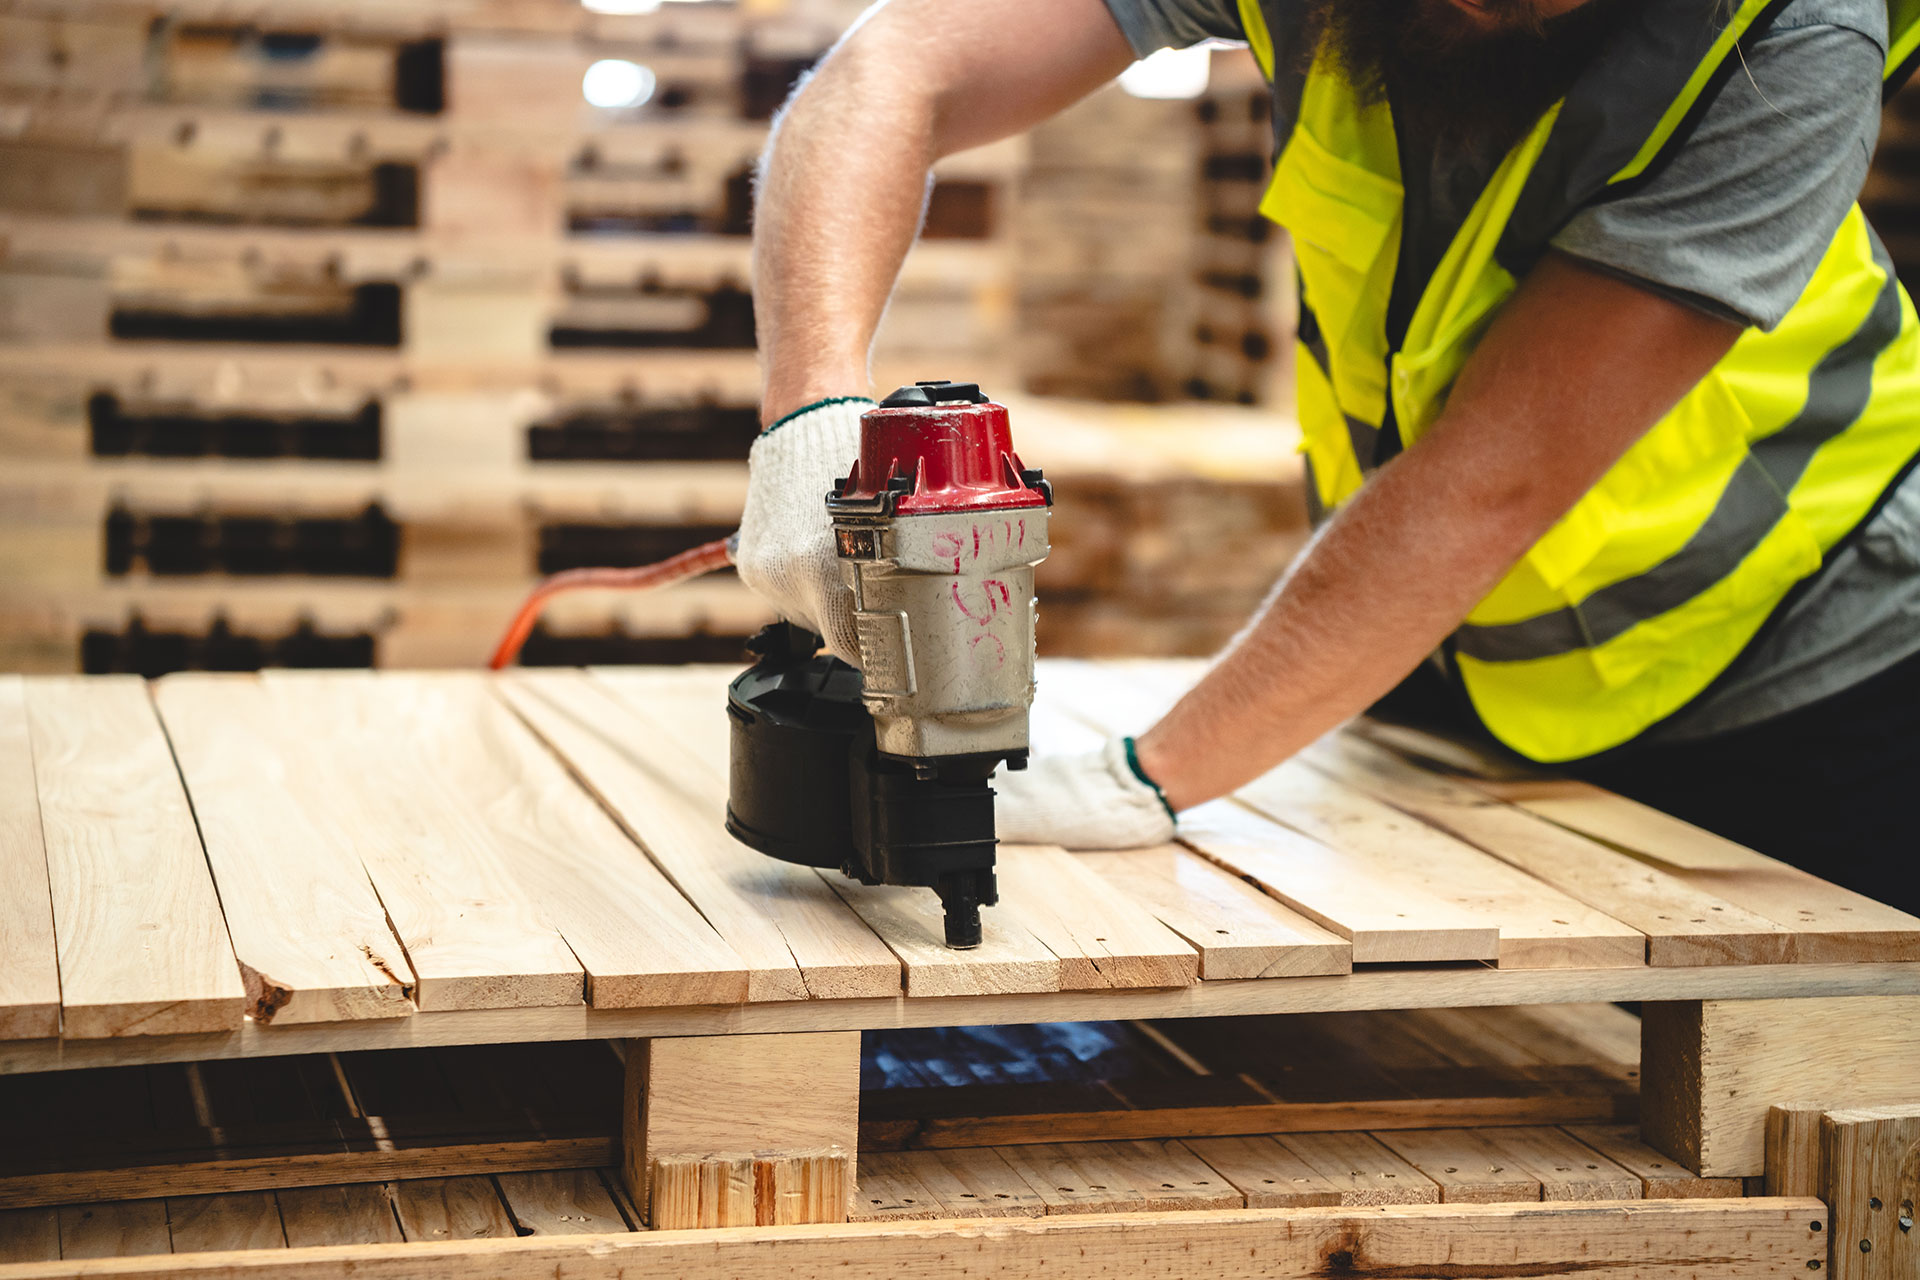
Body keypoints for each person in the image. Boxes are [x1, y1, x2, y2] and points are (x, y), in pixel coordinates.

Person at [734, 0, 1920, 915]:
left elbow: (1490, 482)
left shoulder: (1791, 35)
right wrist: (809, 419)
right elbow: (895, 68)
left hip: (1807, 673)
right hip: (1450, 669)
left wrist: (1145, 775)